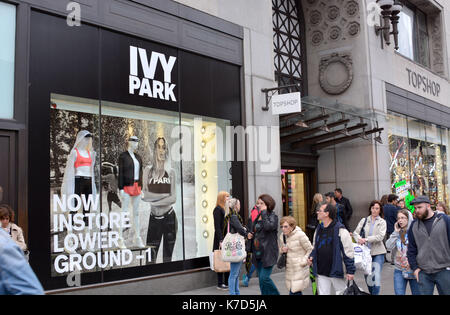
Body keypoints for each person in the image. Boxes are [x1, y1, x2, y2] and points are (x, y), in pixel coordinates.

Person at [308, 202, 355, 295]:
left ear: (327, 213)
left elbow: (348, 252)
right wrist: (311, 256)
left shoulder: (341, 230)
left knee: (342, 292)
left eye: (320, 211)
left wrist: (350, 271)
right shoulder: (318, 229)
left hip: (335, 270)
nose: (317, 212)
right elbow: (315, 247)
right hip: (321, 270)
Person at [143, 137, 177, 263]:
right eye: (159, 147)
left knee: (167, 259)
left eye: (164, 147)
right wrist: (163, 195)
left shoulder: (171, 172)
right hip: (154, 220)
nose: (161, 150)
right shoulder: (148, 170)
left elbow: (173, 198)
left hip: (170, 219)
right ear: (154, 149)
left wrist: (154, 199)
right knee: (149, 259)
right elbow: (144, 195)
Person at [407, 195, 450, 295]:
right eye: (415, 208)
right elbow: (411, 250)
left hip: (444, 270)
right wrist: (415, 269)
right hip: (423, 272)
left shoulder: (444, 220)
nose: (417, 210)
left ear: (428, 206)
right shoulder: (414, 225)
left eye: (420, 207)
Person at [353, 200, 387, 295]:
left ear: (380, 210)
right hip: (365, 252)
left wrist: (366, 239)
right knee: (368, 277)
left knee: (375, 277)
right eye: (373, 208)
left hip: (378, 253)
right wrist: (359, 239)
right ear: (370, 209)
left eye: (377, 208)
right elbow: (355, 233)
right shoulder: (364, 220)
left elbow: (380, 236)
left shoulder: (382, 222)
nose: (374, 210)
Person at [386, 209, 420, 295]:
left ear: (409, 219)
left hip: (413, 269)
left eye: (403, 218)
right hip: (399, 269)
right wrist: (396, 232)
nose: (400, 220)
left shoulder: (415, 231)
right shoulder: (398, 232)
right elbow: (388, 246)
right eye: (398, 218)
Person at [251, 194, 280, 295]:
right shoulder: (258, 216)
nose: (258, 205)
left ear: (268, 204)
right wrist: (250, 234)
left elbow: (268, 227)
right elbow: (255, 229)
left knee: (264, 278)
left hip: (268, 252)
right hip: (258, 252)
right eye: (258, 203)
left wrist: (263, 212)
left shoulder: (273, 216)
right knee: (261, 281)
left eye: (261, 203)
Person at [0, 228, 44, 295]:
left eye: (6, 218)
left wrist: (14, 241)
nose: (5, 221)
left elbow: (31, 291)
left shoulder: (4, 246)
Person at [279, 216, 313, 295]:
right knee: (294, 290)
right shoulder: (282, 236)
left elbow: (310, 249)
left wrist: (303, 261)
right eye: (282, 227)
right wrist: (282, 250)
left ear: (292, 226)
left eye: (285, 226)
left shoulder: (300, 235)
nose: (283, 229)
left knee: (294, 290)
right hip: (289, 268)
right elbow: (281, 249)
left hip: (299, 268)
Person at [223, 198, 247, 295]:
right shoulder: (233, 217)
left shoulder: (232, 216)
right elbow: (240, 230)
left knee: (235, 273)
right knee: (233, 274)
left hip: (234, 248)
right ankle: (233, 293)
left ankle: (236, 292)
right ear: (236, 206)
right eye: (239, 204)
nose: (240, 206)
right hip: (235, 248)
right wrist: (246, 232)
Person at [213, 191, 230, 290]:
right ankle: (220, 283)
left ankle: (227, 282)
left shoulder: (226, 209)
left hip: (227, 237)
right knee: (219, 258)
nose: (228, 198)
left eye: (228, 196)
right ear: (221, 198)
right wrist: (220, 239)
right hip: (220, 238)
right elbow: (217, 227)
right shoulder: (218, 210)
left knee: (227, 258)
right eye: (226, 196)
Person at [242, 204, 259, 287]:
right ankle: (248, 277)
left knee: (256, 261)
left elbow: (249, 229)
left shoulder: (251, 217)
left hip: (253, 242)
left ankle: (248, 277)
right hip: (259, 242)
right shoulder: (260, 216)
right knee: (256, 261)